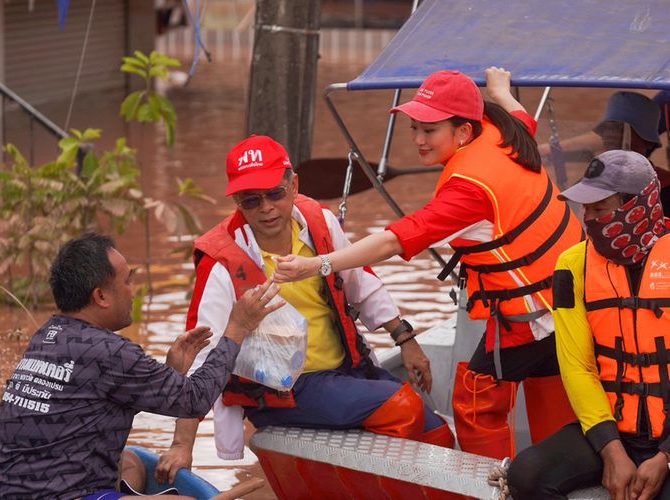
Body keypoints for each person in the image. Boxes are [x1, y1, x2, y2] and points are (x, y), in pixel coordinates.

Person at [274, 67, 583, 459]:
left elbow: (393, 240)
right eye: (414, 128)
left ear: (464, 132)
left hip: (532, 314)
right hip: (571, 295)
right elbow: (524, 118)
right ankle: (558, 470)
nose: (419, 140)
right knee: (550, 389)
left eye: (430, 130)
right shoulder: (504, 133)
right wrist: (501, 91)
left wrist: (318, 264)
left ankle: (488, 484)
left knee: (474, 399)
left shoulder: (469, 192)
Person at [154, 134, 452, 483]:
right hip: (283, 394)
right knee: (403, 406)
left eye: (275, 194)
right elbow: (199, 357)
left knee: (437, 431)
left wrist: (406, 340)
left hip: (345, 370)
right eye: (251, 200)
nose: (265, 207)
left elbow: (361, 282)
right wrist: (181, 445)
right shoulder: (221, 260)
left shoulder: (319, 222)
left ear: (293, 185)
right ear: (236, 201)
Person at [0, 233, 281, 499]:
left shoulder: (47, 334)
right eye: (127, 281)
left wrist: (172, 370)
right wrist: (237, 327)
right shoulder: (110, 352)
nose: (134, 290)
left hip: (2, 489)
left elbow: (94, 405)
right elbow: (195, 399)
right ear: (100, 296)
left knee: (132, 463)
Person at [507, 150, 670, 500]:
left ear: (638, 207)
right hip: (610, 430)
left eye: (601, 209)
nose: (589, 219)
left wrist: (666, 456)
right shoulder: (571, 265)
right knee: (526, 474)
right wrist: (611, 449)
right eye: (586, 209)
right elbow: (577, 366)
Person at [540, 90, 670, 212]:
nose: (611, 135)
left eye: (621, 130)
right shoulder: (589, 183)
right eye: (608, 128)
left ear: (648, 141)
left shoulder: (664, 188)